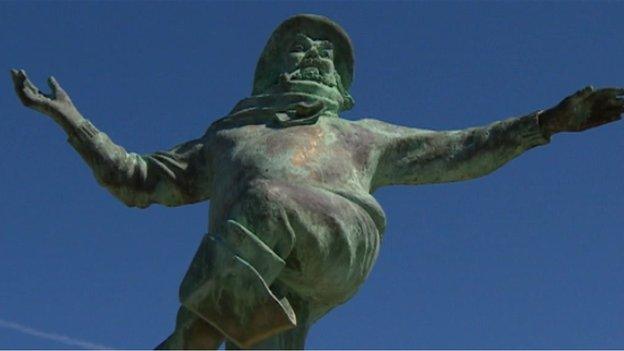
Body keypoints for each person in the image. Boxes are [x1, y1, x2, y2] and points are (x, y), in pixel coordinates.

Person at [11, 14, 623, 350]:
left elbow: (463, 149)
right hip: (259, 272)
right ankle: (208, 330)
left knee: (262, 202)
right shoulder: (226, 139)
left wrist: (548, 123)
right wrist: (70, 119)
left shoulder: (362, 135)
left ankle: (191, 336)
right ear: (272, 70)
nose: (315, 58)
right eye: (301, 50)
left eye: (325, 55)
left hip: (339, 238)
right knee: (259, 331)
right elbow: (137, 179)